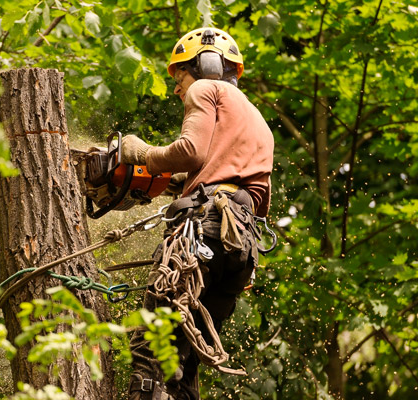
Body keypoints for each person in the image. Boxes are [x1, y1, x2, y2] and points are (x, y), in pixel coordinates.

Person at [122, 28, 274, 400]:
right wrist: (183, 183)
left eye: (180, 77)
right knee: (183, 366)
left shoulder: (205, 89)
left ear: (206, 65)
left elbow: (191, 150)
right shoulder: (257, 119)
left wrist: (142, 153)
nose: (178, 89)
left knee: (152, 349)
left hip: (203, 234)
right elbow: (231, 179)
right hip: (239, 250)